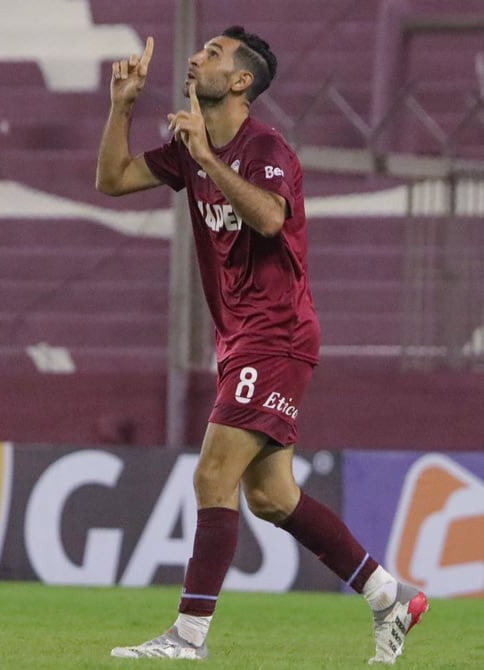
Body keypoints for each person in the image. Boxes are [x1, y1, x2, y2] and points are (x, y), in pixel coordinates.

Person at [95, 26, 428, 663]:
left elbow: (271, 217)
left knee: (212, 473)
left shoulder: (265, 146)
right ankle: (390, 596)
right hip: (241, 338)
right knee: (271, 495)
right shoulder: (191, 148)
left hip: (275, 332)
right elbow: (112, 180)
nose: (197, 57)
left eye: (213, 55)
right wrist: (122, 106)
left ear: (241, 81)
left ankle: (187, 637)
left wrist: (207, 158)